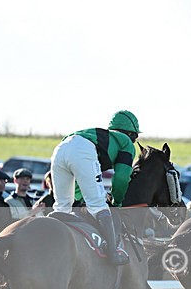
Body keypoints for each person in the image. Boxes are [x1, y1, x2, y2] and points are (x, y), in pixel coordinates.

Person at [50, 110, 140, 265]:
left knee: (62, 207)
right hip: (83, 150)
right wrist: (117, 201)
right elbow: (121, 178)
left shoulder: (97, 135)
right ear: (131, 134)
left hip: (60, 148)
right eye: (135, 137)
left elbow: (80, 183)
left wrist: (82, 198)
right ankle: (113, 253)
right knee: (98, 205)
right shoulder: (125, 142)